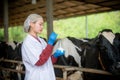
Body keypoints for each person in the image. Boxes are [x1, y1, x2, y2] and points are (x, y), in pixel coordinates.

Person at [21, 13, 65, 80]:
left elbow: (47, 60)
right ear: (31, 24)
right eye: (40, 24)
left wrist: (55, 56)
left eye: (43, 25)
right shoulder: (28, 42)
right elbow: (39, 61)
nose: (42, 27)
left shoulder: (42, 41)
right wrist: (50, 44)